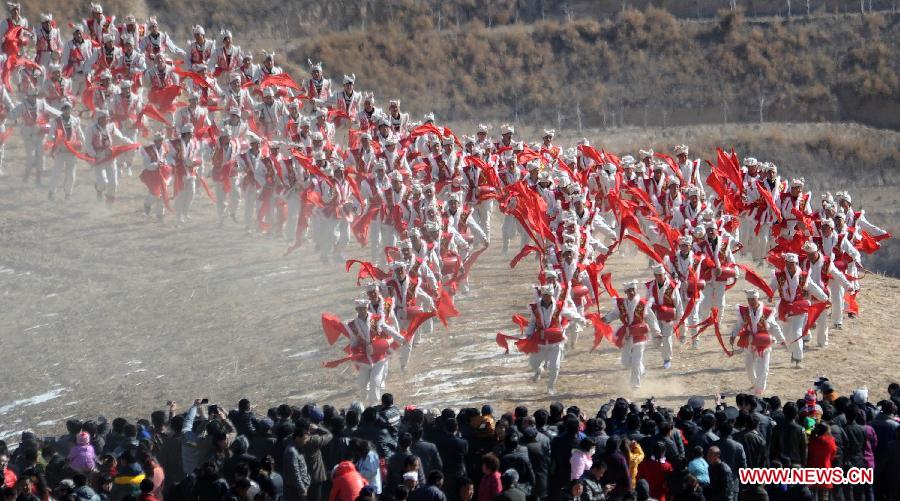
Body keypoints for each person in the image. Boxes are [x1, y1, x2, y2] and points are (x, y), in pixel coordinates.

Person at [602, 280, 662, 389]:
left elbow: (651, 318)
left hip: (639, 335)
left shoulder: (643, 304)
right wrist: (606, 319)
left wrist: (656, 331)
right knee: (626, 362)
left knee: (636, 362)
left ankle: (635, 385)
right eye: (629, 291)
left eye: (633, 290)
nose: (631, 293)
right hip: (626, 335)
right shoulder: (621, 304)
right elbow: (615, 314)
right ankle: (642, 370)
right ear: (626, 292)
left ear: (635, 290)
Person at [283, 426, 311, 501]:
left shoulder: (298, 447)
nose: (306, 441)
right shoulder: (292, 452)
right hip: (295, 490)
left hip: (301, 487)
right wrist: (302, 488)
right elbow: (295, 473)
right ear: (298, 438)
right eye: (305, 439)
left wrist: (308, 479)